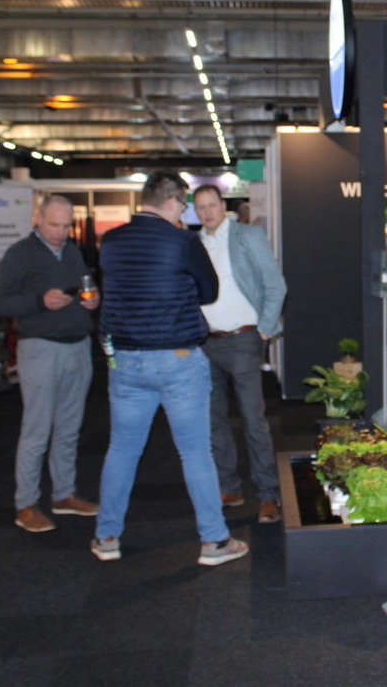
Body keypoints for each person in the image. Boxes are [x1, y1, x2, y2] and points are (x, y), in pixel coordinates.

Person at [91, 169, 248, 566]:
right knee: (195, 452)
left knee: (122, 449)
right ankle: (214, 542)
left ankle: (106, 536)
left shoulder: (111, 241)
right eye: (184, 204)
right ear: (174, 200)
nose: (185, 212)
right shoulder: (183, 242)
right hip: (177, 360)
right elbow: (209, 292)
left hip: (125, 361)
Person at [0, 195, 100, 533]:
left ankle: (64, 494)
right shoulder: (20, 254)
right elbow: (0, 303)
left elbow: (86, 286)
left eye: (66, 226)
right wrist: (40, 302)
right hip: (40, 347)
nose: (60, 232)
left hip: (77, 345)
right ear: (37, 218)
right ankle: (26, 503)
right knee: (37, 430)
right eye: (54, 225)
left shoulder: (72, 252)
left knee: (69, 427)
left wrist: (92, 299)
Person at [193, 185, 288, 523]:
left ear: (223, 206)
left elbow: (276, 284)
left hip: (243, 339)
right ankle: (229, 487)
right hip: (205, 343)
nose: (207, 212)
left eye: (212, 205)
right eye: (201, 207)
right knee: (213, 419)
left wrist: (265, 327)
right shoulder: (194, 244)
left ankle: (268, 494)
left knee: (253, 419)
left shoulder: (247, 236)